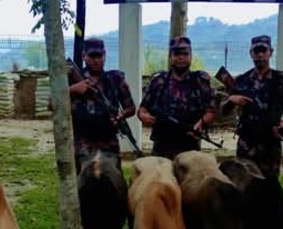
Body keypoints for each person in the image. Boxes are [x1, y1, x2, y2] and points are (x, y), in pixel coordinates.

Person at [220, 35, 283, 179]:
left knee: (269, 187)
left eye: (264, 50)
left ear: (271, 52)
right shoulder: (242, 81)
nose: (260, 55)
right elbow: (223, 111)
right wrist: (232, 99)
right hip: (246, 144)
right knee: (244, 185)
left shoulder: (282, 79)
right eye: (257, 51)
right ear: (251, 53)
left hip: (271, 143)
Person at [137, 36, 217, 160]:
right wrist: (144, 116)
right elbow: (142, 109)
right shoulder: (159, 81)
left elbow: (211, 111)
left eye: (185, 54)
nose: (181, 58)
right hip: (161, 146)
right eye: (177, 54)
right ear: (170, 57)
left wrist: (201, 123)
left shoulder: (200, 81)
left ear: (191, 56)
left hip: (189, 145)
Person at [68, 38, 136, 173]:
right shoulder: (71, 79)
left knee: (113, 184)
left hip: (109, 145)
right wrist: (72, 90)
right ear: (83, 56)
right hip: (82, 145)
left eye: (99, 56)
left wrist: (120, 116)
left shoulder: (115, 79)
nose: (96, 60)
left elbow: (131, 108)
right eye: (91, 56)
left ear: (104, 55)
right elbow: (51, 104)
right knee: (83, 186)